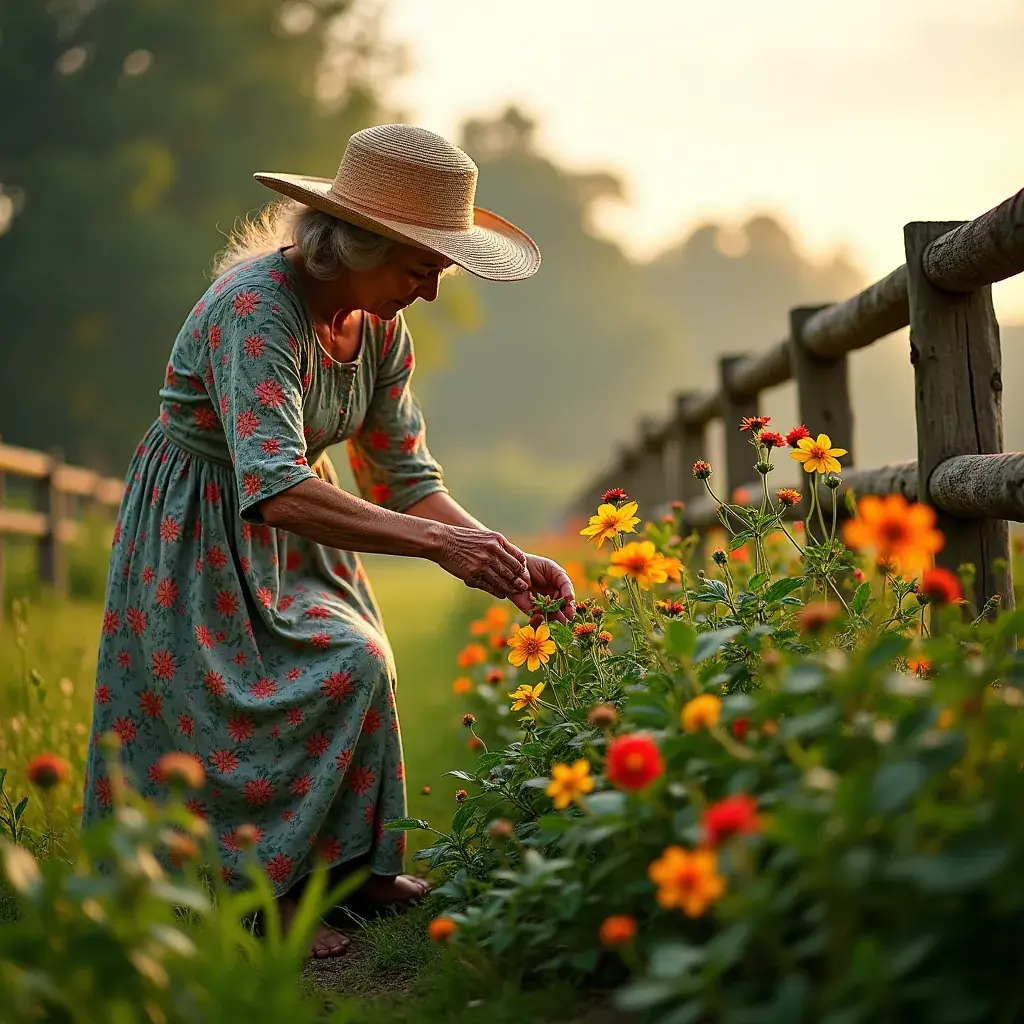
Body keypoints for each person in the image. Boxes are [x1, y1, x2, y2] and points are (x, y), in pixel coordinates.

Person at [81, 124, 576, 958]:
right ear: (356, 246)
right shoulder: (255, 311)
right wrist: (437, 546)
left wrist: (498, 552)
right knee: (237, 703)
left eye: (440, 273)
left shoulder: (379, 330)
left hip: (304, 526)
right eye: (419, 270)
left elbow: (402, 476)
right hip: (205, 526)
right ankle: (256, 896)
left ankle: (351, 873)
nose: (429, 293)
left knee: (356, 664)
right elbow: (272, 486)